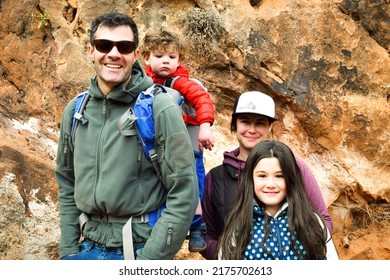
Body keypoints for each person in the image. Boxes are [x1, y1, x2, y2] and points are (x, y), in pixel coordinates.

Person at [55, 11, 198, 260]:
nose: (113, 53)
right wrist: (68, 250)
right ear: (91, 51)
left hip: (137, 250)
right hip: (85, 250)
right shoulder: (76, 110)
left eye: (124, 46)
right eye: (103, 45)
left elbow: (184, 189)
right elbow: (66, 181)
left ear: (134, 54)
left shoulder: (159, 107)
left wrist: (149, 261)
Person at [201, 91, 334, 259]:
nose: (252, 129)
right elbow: (206, 235)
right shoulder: (215, 178)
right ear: (234, 123)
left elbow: (323, 221)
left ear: (270, 126)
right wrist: (232, 255)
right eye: (245, 122)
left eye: (260, 123)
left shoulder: (294, 166)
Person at [140, 28, 215, 252]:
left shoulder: (180, 82)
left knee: (195, 184)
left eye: (172, 57)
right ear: (146, 58)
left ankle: (198, 227)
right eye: (159, 56)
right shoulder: (140, 83)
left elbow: (202, 100)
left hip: (188, 146)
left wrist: (204, 127)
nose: (166, 62)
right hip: (157, 150)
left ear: (179, 60)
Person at [217, 140, 339, 260]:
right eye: (262, 176)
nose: (270, 184)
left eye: (279, 176)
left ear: (291, 178)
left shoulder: (313, 222)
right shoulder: (238, 225)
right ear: (250, 179)